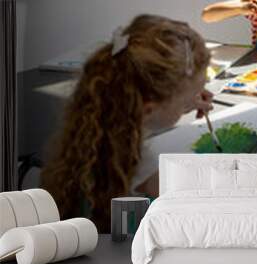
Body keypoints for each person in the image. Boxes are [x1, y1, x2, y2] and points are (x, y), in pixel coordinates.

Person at [41, 15, 213, 232]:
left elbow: (152, 108)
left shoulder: (99, 123)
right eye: (187, 99)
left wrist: (182, 101)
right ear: (149, 108)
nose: (194, 100)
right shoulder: (140, 165)